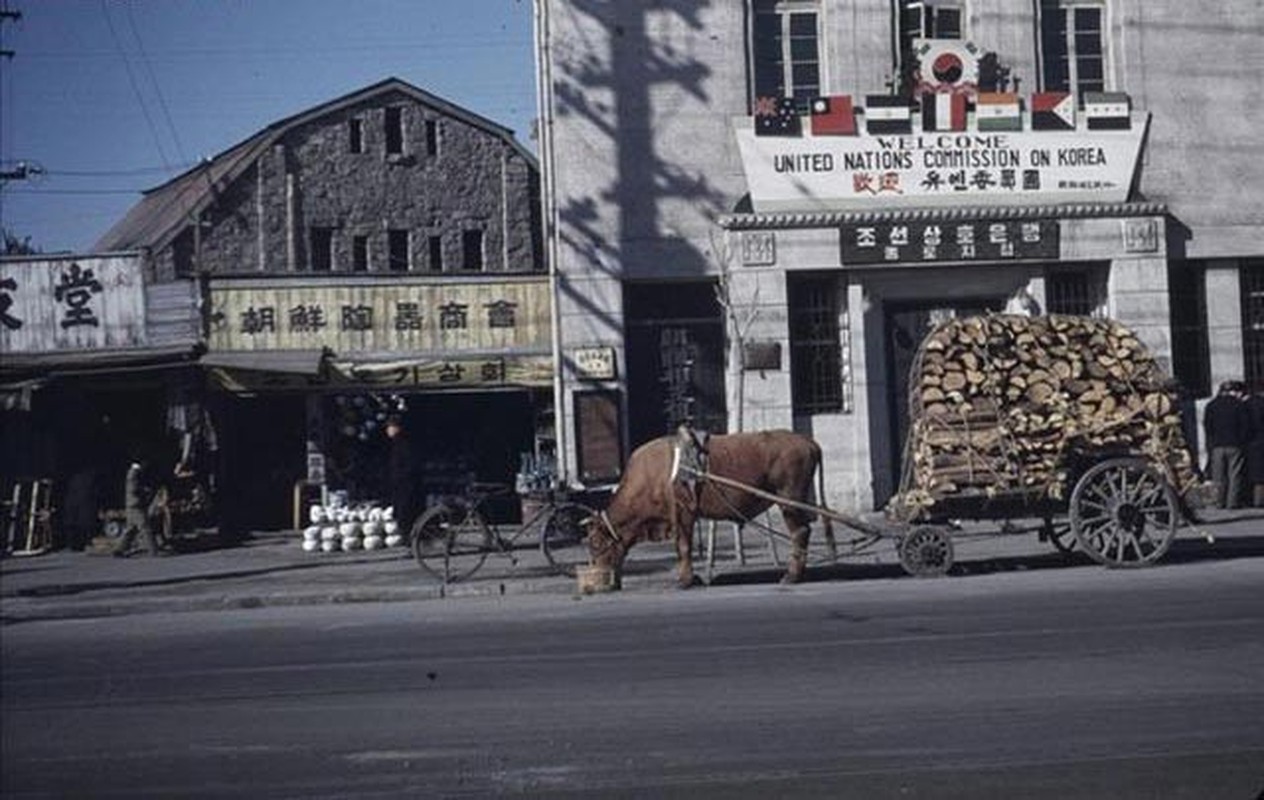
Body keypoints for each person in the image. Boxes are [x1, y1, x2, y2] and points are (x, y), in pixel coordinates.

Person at [1203, 380, 1251, 509]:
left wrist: (1211, 443)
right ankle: (1232, 502)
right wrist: (1241, 440)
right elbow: (1245, 426)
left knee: (1218, 476)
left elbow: (1208, 427)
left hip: (1217, 446)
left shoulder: (1211, 405)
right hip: (1235, 444)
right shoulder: (1239, 405)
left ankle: (1218, 502)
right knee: (1234, 475)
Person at [112, 457, 161, 557]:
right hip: (136, 505)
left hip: (132, 504)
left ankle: (119, 549)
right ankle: (153, 550)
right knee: (145, 527)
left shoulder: (133, 472)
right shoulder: (134, 473)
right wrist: (145, 490)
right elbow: (134, 489)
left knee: (130, 529)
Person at [384, 415, 419, 536]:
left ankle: (410, 541)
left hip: (405, 486)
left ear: (397, 428)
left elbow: (409, 465)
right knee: (402, 515)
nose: (388, 430)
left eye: (390, 427)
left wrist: (400, 477)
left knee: (405, 515)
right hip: (400, 486)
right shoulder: (396, 444)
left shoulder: (403, 444)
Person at [1246, 384, 1264, 508]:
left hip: (1249, 442)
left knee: (1250, 472)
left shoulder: (1245, 404)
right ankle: (1259, 500)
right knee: (1260, 474)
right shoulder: (1262, 404)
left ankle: (1250, 499)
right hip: (1261, 440)